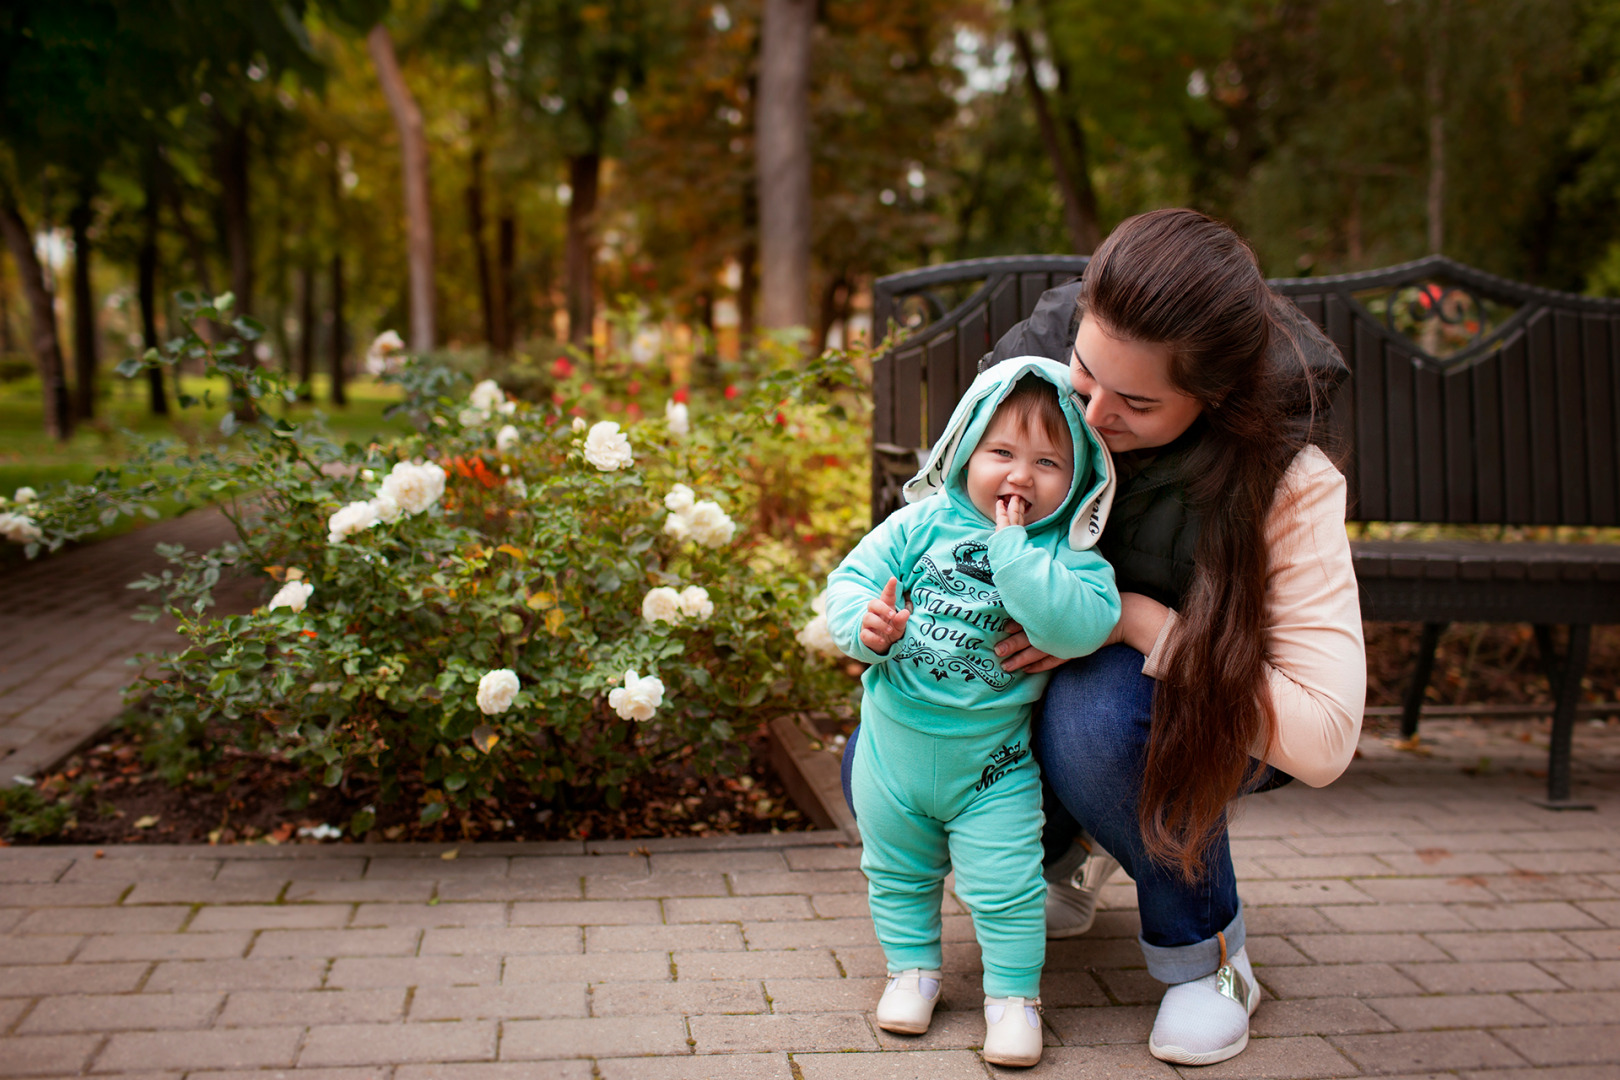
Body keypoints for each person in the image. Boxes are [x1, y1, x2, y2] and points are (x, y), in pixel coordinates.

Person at [993, 208, 1365, 1066]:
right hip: (1071, 704)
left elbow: (1324, 737)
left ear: (1215, 399)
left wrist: (1132, 620)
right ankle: (1073, 847)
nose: (1091, 415)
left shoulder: (1288, 476)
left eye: (1137, 403)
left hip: (1187, 718)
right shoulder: (1035, 392)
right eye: (1085, 374)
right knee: (880, 765)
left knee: (1102, 712)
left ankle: (1213, 961)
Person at [824, 358, 1121, 1068]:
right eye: (1002, 454)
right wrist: (862, 626)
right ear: (962, 449)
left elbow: (1081, 625)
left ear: (1080, 477)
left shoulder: (1068, 551)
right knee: (894, 870)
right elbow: (848, 582)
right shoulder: (917, 524)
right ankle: (913, 972)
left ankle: (1015, 999)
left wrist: (1016, 556)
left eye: (1049, 461)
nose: (1020, 476)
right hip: (892, 756)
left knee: (1007, 888)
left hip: (991, 767)